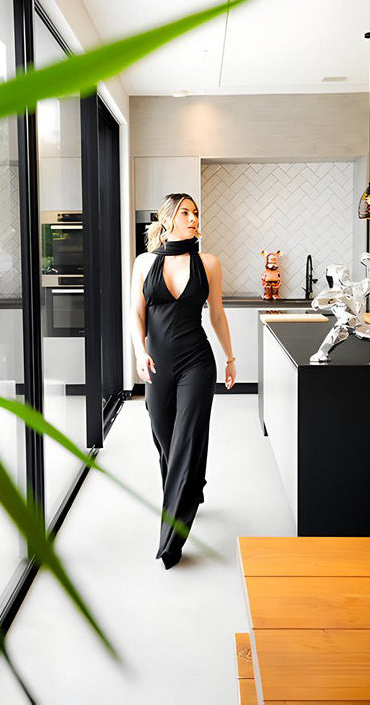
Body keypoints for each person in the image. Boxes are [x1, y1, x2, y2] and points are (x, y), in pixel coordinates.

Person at [130, 193, 236, 569]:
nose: (193, 218)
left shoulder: (208, 262)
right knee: (164, 438)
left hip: (196, 362)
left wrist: (230, 357)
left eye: (195, 213)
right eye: (186, 213)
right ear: (168, 219)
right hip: (158, 365)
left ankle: (171, 539)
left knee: (187, 440)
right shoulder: (144, 263)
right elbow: (136, 313)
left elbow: (218, 315)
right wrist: (140, 353)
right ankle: (189, 488)